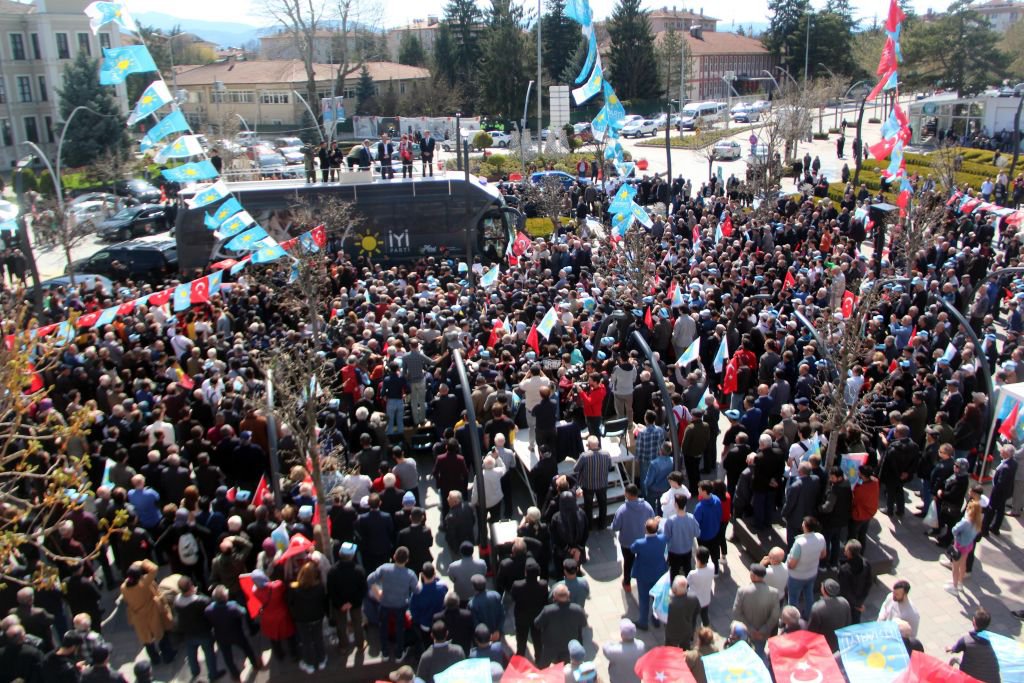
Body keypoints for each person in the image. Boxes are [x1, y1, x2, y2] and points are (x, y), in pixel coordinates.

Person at [367, 546, 420, 661]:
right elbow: (417, 591)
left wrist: (377, 593)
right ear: (407, 560)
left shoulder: (384, 568)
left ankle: (385, 653)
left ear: (394, 556)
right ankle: (399, 654)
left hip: (384, 604)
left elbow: (369, 580)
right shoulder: (410, 574)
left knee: (383, 628)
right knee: (399, 630)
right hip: (401, 606)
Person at [120, 560, 175, 664]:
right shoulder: (143, 584)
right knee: (160, 634)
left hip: (138, 617)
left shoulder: (123, 587)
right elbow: (154, 569)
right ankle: (168, 656)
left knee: (146, 639)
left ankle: (154, 659)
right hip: (152, 612)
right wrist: (142, 562)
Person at [205, 585, 264, 679]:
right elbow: (243, 612)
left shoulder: (208, 610)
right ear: (225, 597)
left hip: (221, 636)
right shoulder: (232, 606)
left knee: (227, 657)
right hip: (236, 633)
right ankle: (255, 664)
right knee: (246, 648)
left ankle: (235, 675)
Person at [612, 484, 655, 593]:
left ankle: (627, 583)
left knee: (628, 563)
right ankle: (644, 581)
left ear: (627, 494)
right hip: (644, 541)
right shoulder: (647, 506)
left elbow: (615, 527)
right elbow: (653, 522)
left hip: (627, 543)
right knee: (643, 562)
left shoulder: (622, 510)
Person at [287, 562, 328, 673]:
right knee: (318, 638)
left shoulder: (294, 588)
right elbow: (324, 602)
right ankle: (322, 660)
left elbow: (290, 603)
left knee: (306, 642)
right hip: (317, 617)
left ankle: (309, 664)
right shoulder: (320, 587)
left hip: (301, 620)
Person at [732, 563, 780, 657]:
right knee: (759, 654)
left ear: (753, 576)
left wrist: (751, 629)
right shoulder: (774, 593)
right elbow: (775, 615)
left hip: (745, 631)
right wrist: (764, 629)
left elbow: (736, 612)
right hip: (762, 634)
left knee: (743, 654)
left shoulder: (742, 591)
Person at [533, 584, 587, 667]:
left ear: (554, 596)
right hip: (569, 647)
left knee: (543, 667)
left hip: (550, 647)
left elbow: (537, 624)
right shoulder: (577, 609)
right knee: (566, 668)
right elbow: (583, 624)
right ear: (568, 594)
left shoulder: (548, 610)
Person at [630, 518, 668, 631]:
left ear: (645, 529)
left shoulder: (640, 543)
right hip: (658, 573)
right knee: (656, 597)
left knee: (643, 598)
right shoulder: (663, 539)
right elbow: (663, 533)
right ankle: (656, 619)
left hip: (643, 575)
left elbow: (632, 549)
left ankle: (643, 621)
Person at [786, 516, 826, 620]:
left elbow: (792, 564)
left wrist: (788, 562)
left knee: (793, 599)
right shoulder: (821, 538)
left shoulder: (800, 543)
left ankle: (792, 619)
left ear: (805, 527)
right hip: (812, 573)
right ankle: (809, 616)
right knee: (809, 595)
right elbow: (823, 555)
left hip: (797, 576)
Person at [948, 608, 1002, 683]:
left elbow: (955, 649)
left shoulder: (966, 640)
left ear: (973, 622)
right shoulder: (994, 640)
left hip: (970, 678)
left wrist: (950, 648)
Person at [510, 559, 547, 658]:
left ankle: (521, 658)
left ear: (525, 573)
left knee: (521, 641)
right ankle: (539, 658)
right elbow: (545, 600)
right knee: (537, 640)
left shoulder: (517, 585)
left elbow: (513, 598)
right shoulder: (543, 585)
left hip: (521, 617)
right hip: (537, 617)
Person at [575, 435, 613, 529]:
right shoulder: (606, 454)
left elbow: (575, 469)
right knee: (603, 505)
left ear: (588, 445)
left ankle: (589, 526)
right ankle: (602, 525)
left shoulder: (584, 456)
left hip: (588, 486)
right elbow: (610, 467)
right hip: (602, 484)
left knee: (588, 506)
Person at [948, 499, 983, 594]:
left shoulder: (965, 522)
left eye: (968, 507)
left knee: (955, 567)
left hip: (959, 546)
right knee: (963, 565)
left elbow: (954, 530)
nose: (966, 508)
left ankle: (954, 587)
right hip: (968, 545)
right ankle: (960, 583)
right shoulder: (978, 522)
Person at [663, 492, 700, 579]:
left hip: (674, 551)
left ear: (675, 504)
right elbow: (697, 533)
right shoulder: (691, 518)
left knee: (674, 571)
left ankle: (675, 586)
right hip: (687, 550)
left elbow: (666, 537)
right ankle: (688, 585)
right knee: (687, 570)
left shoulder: (670, 520)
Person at [806, 579, 851, 651]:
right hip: (839, 643)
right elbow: (848, 623)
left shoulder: (817, 607)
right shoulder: (844, 602)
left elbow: (812, 631)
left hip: (823, 646)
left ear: (824, 590)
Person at [983, 444, 1017, 536]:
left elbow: (1000, 483)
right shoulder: (1013, 462)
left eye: (1002, 451)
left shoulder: (1005, 468)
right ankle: (995, 528)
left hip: (999, 493)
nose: (1000, 451)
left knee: (991, 510)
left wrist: (995, 492)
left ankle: (984, 530)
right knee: (1001, 509)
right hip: (1006, 492)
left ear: (1006, 454)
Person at [837, 540, 873, 624]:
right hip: (859, 600)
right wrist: (859, 602)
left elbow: (845, 590)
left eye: (846, 549)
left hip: (847, 603)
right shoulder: (866, 563)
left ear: (849, 552)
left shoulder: (844, 569)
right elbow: (868, 583)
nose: (844, 550)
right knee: (856, 622)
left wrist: (855, 604)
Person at [602, 618, 646, 683]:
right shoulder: (641, 645)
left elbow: (605, 647)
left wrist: (613, 643)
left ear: (621, 635)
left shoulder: (614, 651)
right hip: (635, 680)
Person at [665, 575, 701, 649]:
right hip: (687, 630)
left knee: (670, 650)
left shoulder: (668, 601)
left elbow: (662, 613)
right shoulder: (693, 598)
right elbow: (697, 611)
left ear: (674, 589)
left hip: (672, 632)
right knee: (685, 648)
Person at [687, 546, 714, 627]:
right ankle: (706, 628)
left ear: (698, 560)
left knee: (692, 619)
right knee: (704, 616)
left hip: (694, 602)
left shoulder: (693, 574)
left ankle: (691, 632)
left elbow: (686, 583)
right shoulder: (712, 567)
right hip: (706, 599)